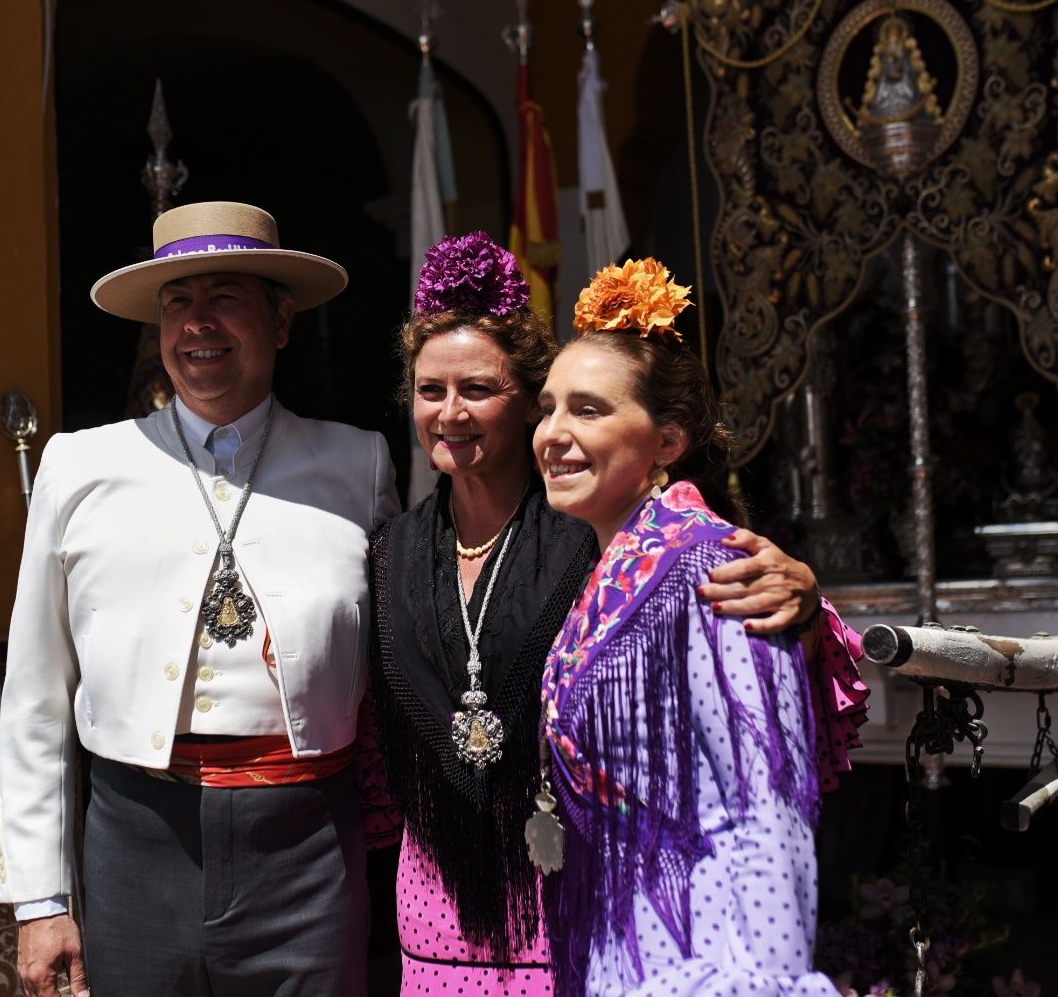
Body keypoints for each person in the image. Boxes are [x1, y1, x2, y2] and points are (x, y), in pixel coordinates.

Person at [369, 236, 865, 993]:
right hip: (480, 919)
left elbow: (759, 812)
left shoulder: (623, 540)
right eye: (430, 390)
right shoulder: (396, 550)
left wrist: (800, 595)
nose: (451, 411)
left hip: (612, 928)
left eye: (480, 388)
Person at [0, 201, 398, 997]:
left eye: (225, 297)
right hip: (136, 846)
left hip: (311, 849)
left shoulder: (359, 465)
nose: (198, 324)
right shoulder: (79, 467)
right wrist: (41, 900)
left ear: (282, 321)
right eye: (178, 302)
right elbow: (36, 698)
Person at [536, 259, 859, 996]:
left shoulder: (714, 571)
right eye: (548, 408)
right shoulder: (611, 566)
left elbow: (763, 806)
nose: (553, 433)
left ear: (669, 441)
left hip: (701, 951)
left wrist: (771, 981)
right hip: (624, 938)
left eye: (588, 409)